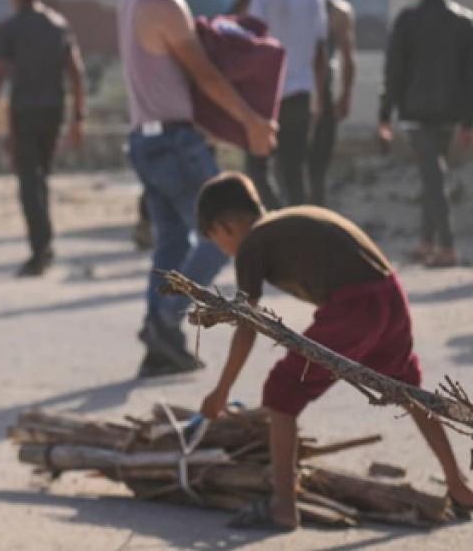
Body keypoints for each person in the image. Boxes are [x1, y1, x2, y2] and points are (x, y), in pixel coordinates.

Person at [195, 172, 473, 529]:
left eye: (214, 238)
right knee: (407, 389)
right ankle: (459, 486)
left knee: (281, 393)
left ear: (226, 225)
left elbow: (246, 326)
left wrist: (220, 393)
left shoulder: (252, 243)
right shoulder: (286, 220)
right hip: (390, 295)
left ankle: (282, 506)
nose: (220, 247)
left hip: (355, 305)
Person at [118, 0, 276, 378]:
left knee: (171, 242)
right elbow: (204, 73)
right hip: (173, 143)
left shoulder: (131, 0)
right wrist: (251, 121)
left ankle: (161, 340)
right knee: (225, 234)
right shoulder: (166, 4)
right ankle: (163, 323)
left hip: (145, 142)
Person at [0, 0, 86, 277]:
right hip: (53, 112)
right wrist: (78, 118)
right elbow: (76, 72)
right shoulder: (57, 24)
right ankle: (44, 245)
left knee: (29, 181)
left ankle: (40, 250)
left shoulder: (11, 27)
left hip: (25, 113)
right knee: (40, 179)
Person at [381, 0, 473, 268]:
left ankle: (447, 247)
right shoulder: (464, 21)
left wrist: (384, 113)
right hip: (450, 113)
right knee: (432, 174)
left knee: (433, 176)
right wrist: (469, 120)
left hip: (416, 111)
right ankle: (426, 241)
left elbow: (394, 71)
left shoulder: (408, 19)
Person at [244, 0, 328, 209]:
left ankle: (275, 216)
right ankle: (297, 223)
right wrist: (319, 95)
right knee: (293, 170)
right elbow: (319, 48)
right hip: (301, 91)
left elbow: (254, 43)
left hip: (267, 94)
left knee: (257, 167)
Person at [305, 0, 356, 208]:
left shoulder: (338, 11)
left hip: (319, 86)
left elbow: (348, 57)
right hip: (299, 86)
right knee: (296, 160)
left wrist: (345, 96)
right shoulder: (301, 4)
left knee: (318, 161)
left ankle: (315, 208)